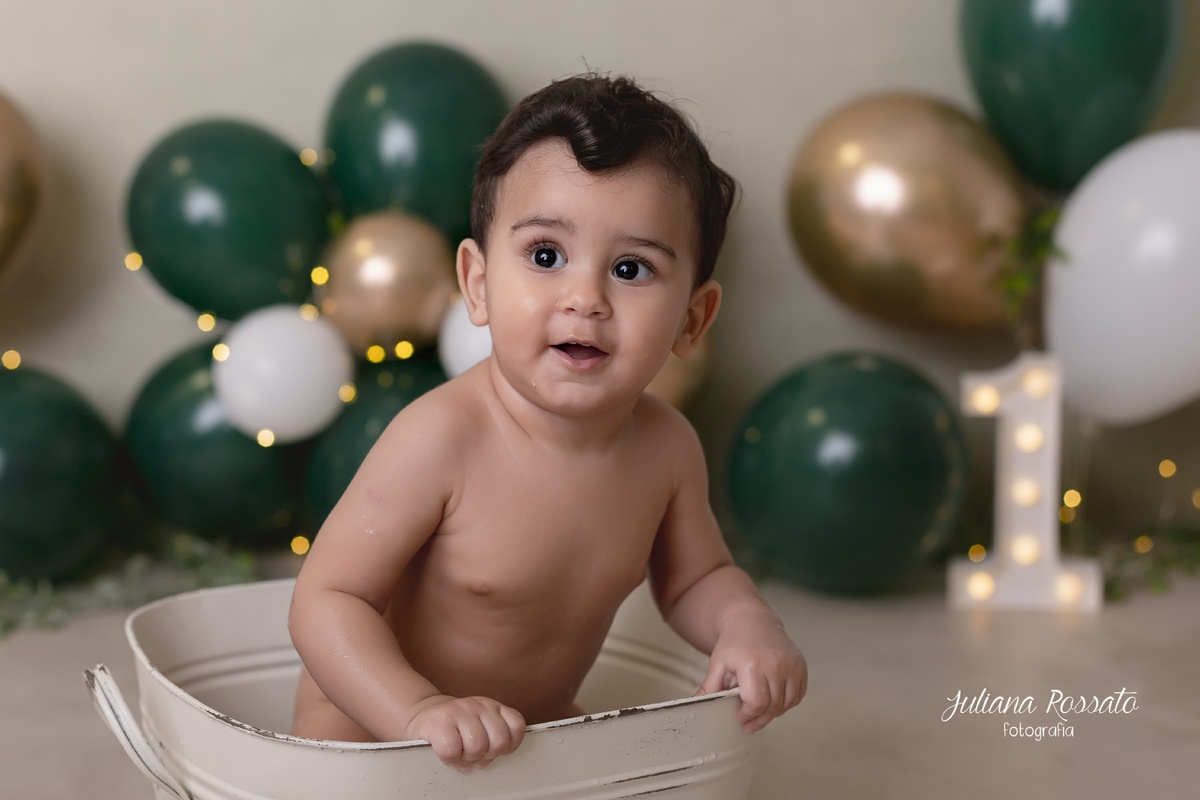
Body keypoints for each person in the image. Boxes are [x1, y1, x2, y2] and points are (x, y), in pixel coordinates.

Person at [288, 73, 807, 773]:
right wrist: (417, 709)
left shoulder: (667, 449)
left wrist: (748, 624)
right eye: (545, 256)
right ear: (477, 283)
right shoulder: (441, 437)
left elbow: (695, 579)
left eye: (630, 268)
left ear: (692, 319)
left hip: (530, 739)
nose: (584, 298)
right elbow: (328, 598)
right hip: (373, 730)